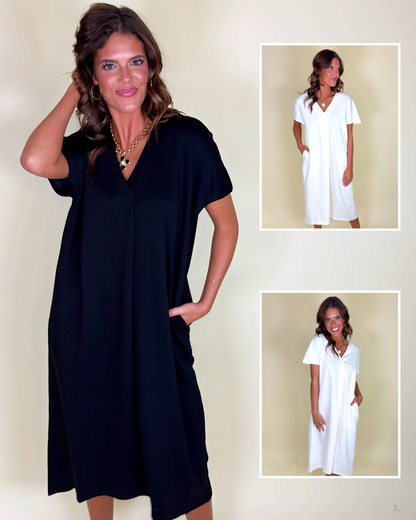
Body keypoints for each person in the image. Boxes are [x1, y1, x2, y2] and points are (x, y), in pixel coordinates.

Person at [20, 4, 238, 520]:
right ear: (92, 76)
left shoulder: (187, 140)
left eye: (135, 62)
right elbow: (34, 160)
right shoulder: (86, 150)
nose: (125, 77)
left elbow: (226, 224)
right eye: (109, 66)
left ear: (151, 65)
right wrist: (75, 88)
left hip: (158, 324)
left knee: (181, 453)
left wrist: (206, 300)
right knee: (97, 446)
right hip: (87, 328)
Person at [293, 49, 361, 228]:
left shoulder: (344, 101)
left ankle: (362, 237)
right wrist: (300, 145)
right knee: (316, 206)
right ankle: (318, 240)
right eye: (331, 68)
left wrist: (349, 166)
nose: (335, 73)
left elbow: (350, 137)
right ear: (319, 69)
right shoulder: (303, 102)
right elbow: (296, 125)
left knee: (348, 204)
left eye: (338, 70)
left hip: (339, 162)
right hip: (315, 162)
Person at [302, 297, 363, 476]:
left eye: (337, 318)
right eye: (328, 319)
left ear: (344, 318)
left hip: (346, 413)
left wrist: (359, 395)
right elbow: (314, 380)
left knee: (342, 464)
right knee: (329, 464)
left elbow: (350, 377)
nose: (333, 324)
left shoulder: (355, 351)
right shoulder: (319, 342)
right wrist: (315, 412)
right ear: (323, 322)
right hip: (326, 412)